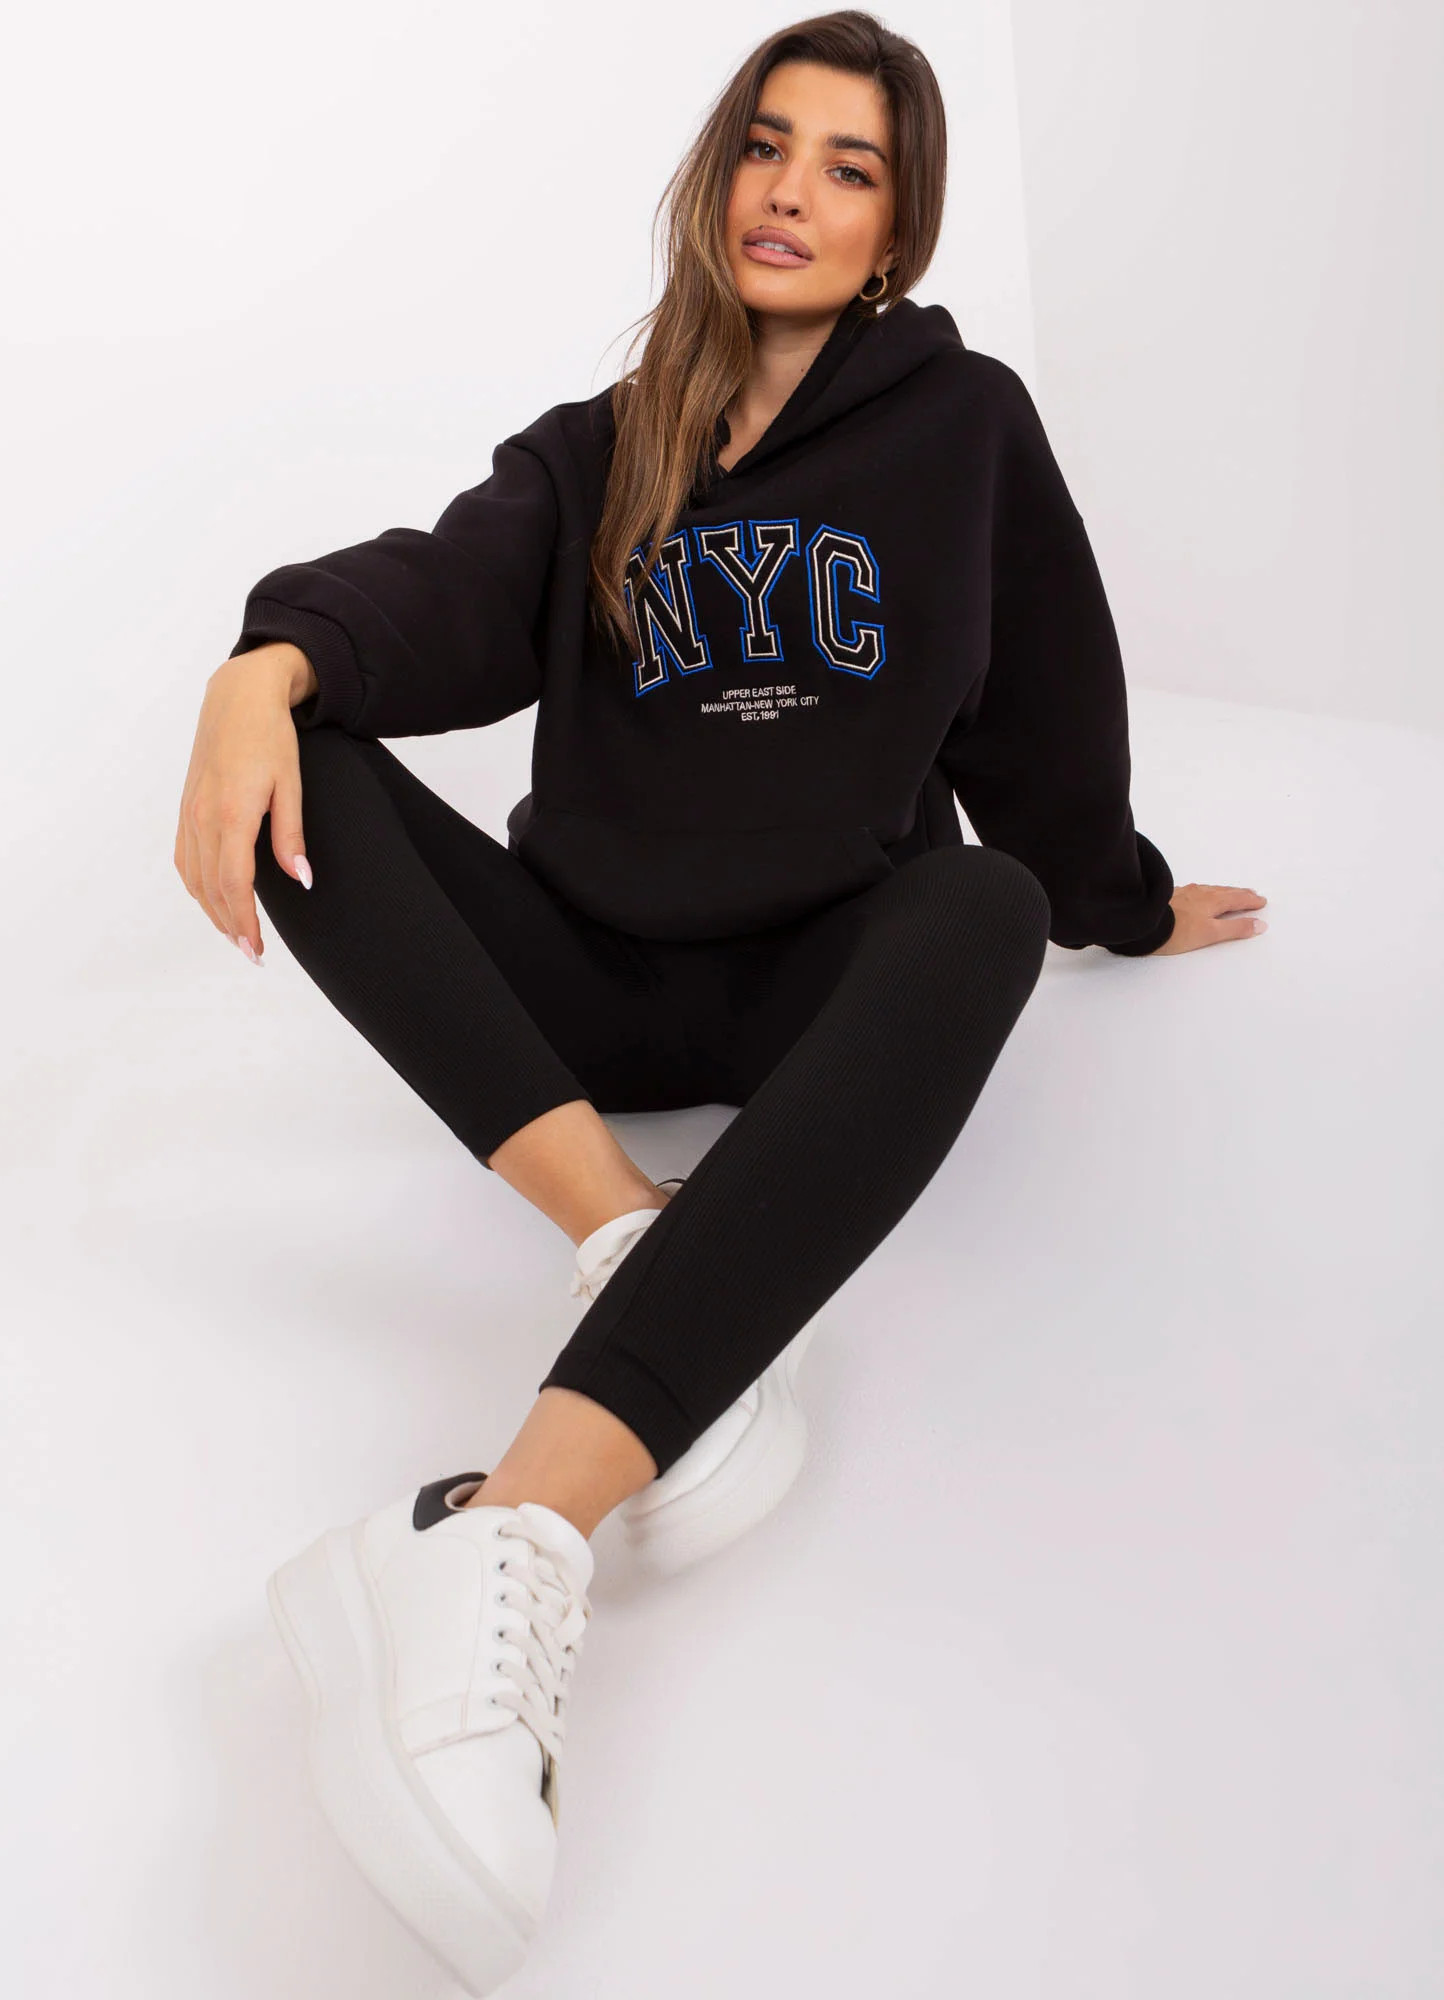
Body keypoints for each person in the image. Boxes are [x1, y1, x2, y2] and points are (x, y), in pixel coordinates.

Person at [175, 11, 1267, 1990]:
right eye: (768, 145)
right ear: (715, 174)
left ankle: (513, 1525)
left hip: (811, 987)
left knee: (983, 898)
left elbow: (1047, 710)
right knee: (299, 763)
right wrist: (267, 661)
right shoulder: (602, 449)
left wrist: (1113, 902)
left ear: (896, 231)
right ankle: (627, 1231)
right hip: (585, 986)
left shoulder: (964, 426)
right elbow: (435, 597)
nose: (793, 191)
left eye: (851, 167)